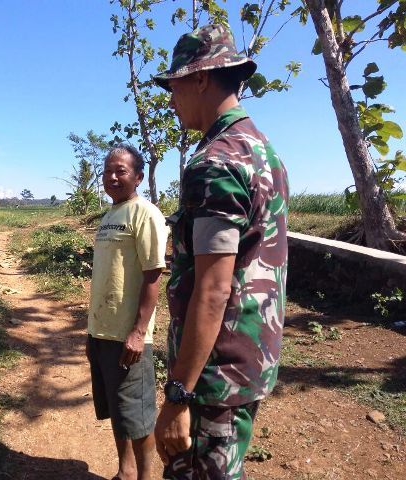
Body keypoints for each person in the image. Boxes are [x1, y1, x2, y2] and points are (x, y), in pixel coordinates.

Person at [151, 24, 289, 479]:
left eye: (174, 86)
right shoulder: (263, 152)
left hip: (213, 374)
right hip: (249, 358)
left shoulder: (215, 163)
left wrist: (179, 394)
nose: (171, 99)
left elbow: (213, 290)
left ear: (200, 78)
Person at [87, 145, 168, 480]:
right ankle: (126, 471)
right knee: (117, 409)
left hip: (128, 336)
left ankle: (146, 476)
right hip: (100, 331)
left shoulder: (145, 214)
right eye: (107, 170)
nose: (112, 177)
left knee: (138, 416)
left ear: (138, 177)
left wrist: (138, 331)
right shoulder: (109, 215)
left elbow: (153, 274)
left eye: (120, 170)